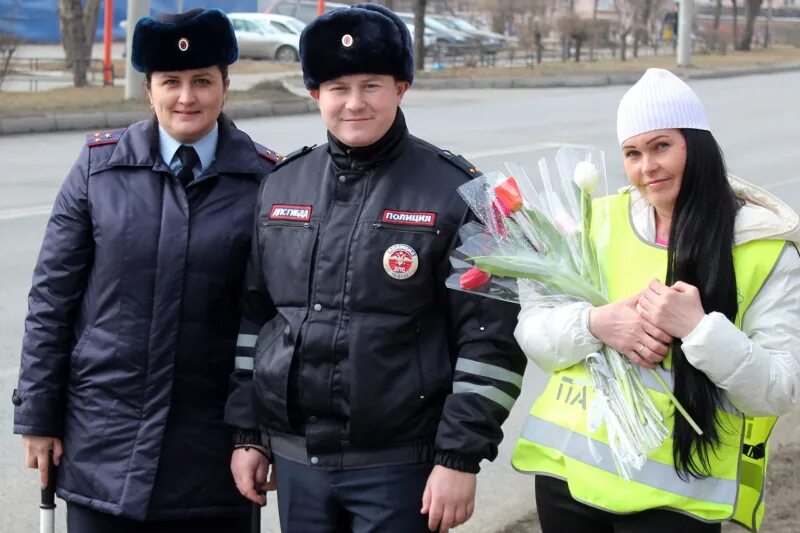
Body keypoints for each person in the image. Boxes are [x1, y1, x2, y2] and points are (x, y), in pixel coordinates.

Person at [224, 4, 525, 532]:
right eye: (338, 88)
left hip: (401, 467)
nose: (355, 103)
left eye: (372, 85)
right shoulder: (281, 185)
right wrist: (249, 434)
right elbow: (257, 320)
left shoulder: (460, 192)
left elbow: (491, 339)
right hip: (299, 464)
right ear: (315, 95)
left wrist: (459, 458)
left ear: (402, 88)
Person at [12, 8, 279, 532]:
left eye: (202, 81)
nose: (187, 97)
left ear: (226, 86)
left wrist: (258, 435)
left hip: (215, 450)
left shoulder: (266, 181)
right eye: (171, 82)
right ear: (148, 90)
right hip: (102, 444)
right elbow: (51, 301)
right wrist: (38, 418)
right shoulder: (98, 169)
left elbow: (272, 321)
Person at [512, 68, 800, 532]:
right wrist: (595, 323)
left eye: (662, 146)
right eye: (632, 153)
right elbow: (534, 334)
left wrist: (701, 330)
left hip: (678, 495)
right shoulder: (593, 223)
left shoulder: (763, 248)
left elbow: (779, 390)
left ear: (697, 145)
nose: (647, 167)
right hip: (570, 480)